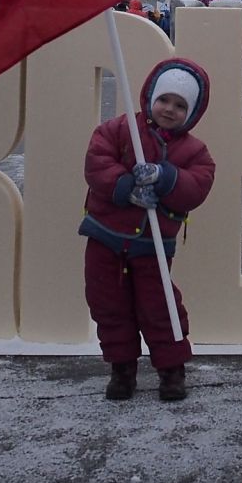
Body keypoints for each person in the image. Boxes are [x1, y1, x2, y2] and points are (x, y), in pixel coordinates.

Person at [79, 58, 217, 402]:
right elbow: (97, 162)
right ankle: (121, 367)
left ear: (193, 111)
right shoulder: (119, 129)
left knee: (160, 306)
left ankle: (171, 369)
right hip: (105, 237)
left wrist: (166, 176)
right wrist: (125, 185)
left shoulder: (195, 151)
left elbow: (198, 185)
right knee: (108, 304)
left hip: (151, 246)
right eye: (164, 100)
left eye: (180, 105)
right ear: (150, 97)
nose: (170, 109)